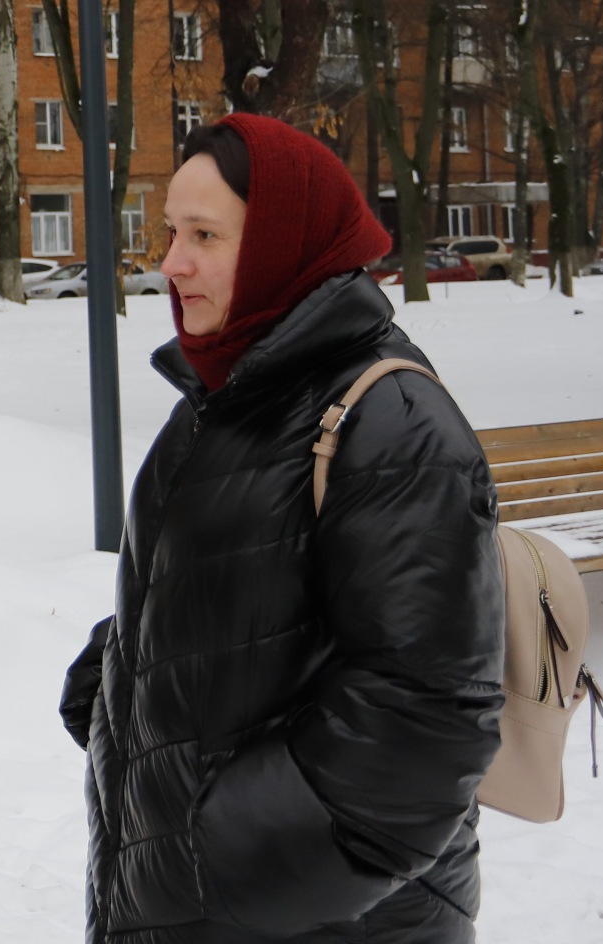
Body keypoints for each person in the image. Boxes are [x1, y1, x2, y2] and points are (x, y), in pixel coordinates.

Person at [61, 115, 504, 944]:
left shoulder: (392, 423)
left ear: (282, 245)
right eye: (169, 233)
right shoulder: (225, 401)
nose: (172, 263)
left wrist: (223, 852)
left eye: (205, 235)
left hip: (310, 916)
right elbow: (253, 587)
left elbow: (424, 714)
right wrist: (123, 678)